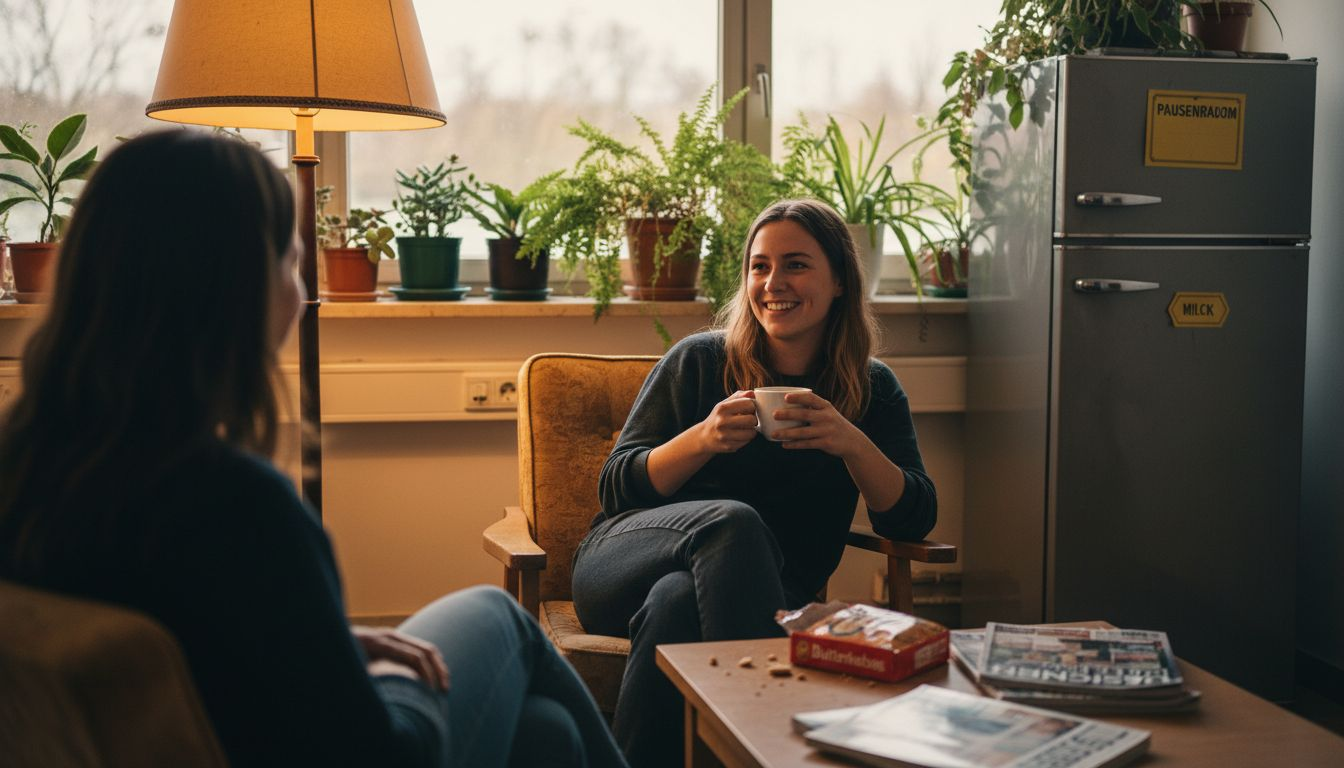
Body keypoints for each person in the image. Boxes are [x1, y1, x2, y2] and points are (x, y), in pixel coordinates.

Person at [0, 131, 627, 768]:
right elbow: (377, 752)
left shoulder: (27, 468)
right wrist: (390, 682)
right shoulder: (238, 506)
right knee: (503, 617)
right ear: (233, 288)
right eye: (290, 263)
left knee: (546, 736)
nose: (299, 294)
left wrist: (332, 646)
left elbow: (189, 639)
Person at [571, 199, 938, 767]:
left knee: (674, 603)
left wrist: (852, 443)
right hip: (618, 565)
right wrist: (702, 439)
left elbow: (911, 518)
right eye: (759, 266)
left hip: (761, 597)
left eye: (795, 265)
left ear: (838, 279)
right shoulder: (699, 360)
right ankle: (769, 745)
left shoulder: (872, 389)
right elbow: (616, 488)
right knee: (733, 520)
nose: (773, 283)